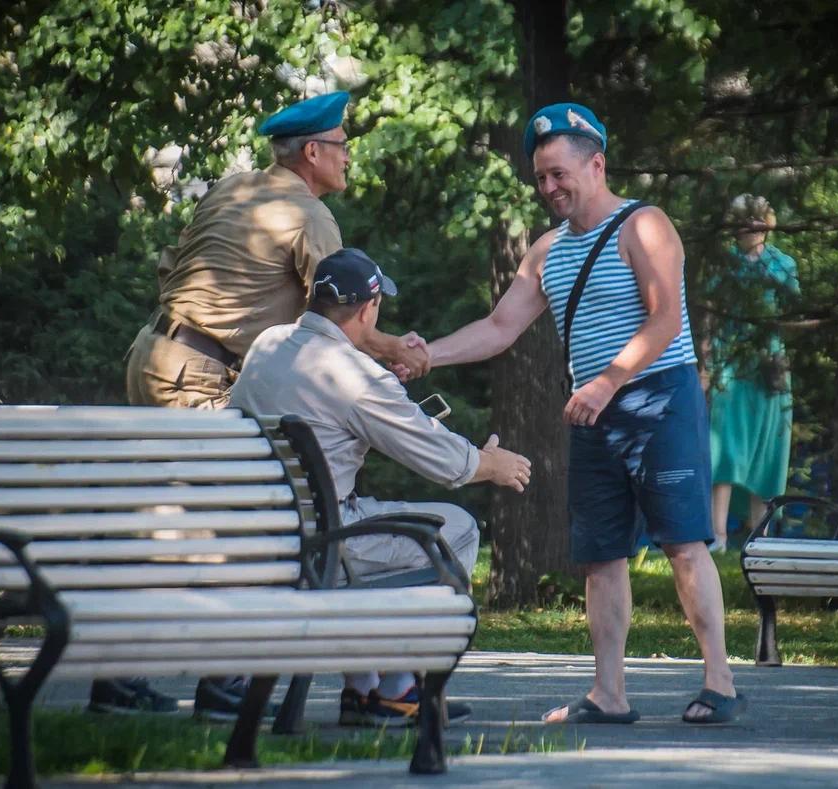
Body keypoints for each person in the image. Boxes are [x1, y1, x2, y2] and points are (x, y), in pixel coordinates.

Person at [94, 91, 429, 719]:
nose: (350, 156)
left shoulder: (233, 188)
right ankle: (224, 685)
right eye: (342, 144)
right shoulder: (309, 217)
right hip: (200, 376)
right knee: (245, 522)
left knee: (170, 516)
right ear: (313, 152)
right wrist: (395, 350)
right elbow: (336, 315)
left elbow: (179, 271)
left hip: (154, 353)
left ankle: (118, 676)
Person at [423, 102, 745, 724]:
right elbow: (498, 328)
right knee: (601, 557)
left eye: (559, 173)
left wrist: (607, 381)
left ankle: (721, 682)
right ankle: (608, 695)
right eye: (540, 177)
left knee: (683, 542)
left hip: (658, 399)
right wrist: (423, 358)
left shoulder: (643, 226)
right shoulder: (546, 251)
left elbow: (665, 319)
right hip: (595, 415)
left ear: (596, 164)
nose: (549, 188)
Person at [229, 247, 532, 726]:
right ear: (369, 309)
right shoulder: (357, 377)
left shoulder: (268, 344)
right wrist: (491, 463)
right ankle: (397, 690)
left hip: (261, 534)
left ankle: (361, 686)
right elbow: (444, 462)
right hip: (316, 543)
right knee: (457, 529)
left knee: (364, 516)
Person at [708, 194, 800, 552]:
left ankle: (759, 536)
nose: (750, 227)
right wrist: (706, 365)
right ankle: (717, 535)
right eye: (743, 220)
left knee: (768, 449)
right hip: (728, 364)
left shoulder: (783, 264)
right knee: (724, 447)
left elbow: (792, 316)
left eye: (756, 219)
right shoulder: (723, 264)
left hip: (771, 367)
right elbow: (710, 316)